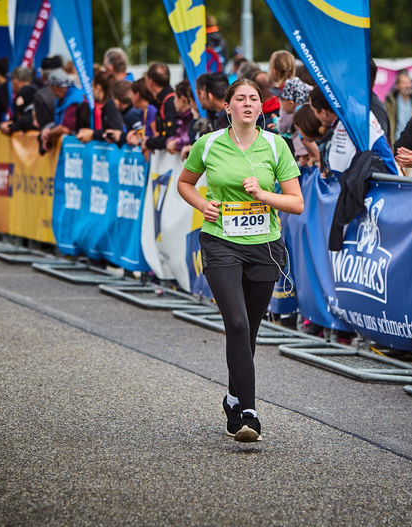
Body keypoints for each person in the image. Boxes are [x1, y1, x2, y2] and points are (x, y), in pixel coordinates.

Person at [177, 79, 304, 442]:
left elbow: (296, 202)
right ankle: (248, 413)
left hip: (264, 247)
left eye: (254, 99)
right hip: (220, 243)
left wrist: (264, 194)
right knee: (235, 322)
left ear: (261, 107)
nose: (247, 104)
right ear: (228, 106)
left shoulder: (276, 146)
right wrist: (203, 205)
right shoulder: (209, 143)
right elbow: (184, 183)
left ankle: (232, 397)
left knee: (249, 327)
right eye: (240, 99)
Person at [76, 70, 123, 144]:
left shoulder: (110, 105)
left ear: (98, 87)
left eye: (92, 86)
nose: (91, 90)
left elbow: (115, 132)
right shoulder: (107, 104)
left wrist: (93, 134)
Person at [142, 63, 178, 153]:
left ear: (150, 82)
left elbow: (170, 137)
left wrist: (148, 142)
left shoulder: (170, 102)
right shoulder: (161, 101)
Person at [385, 71, 412, 145]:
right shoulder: (390, 102)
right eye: (404, 83)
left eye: (409, 82)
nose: (407, 85)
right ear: (397, 86)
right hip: (396, 142)